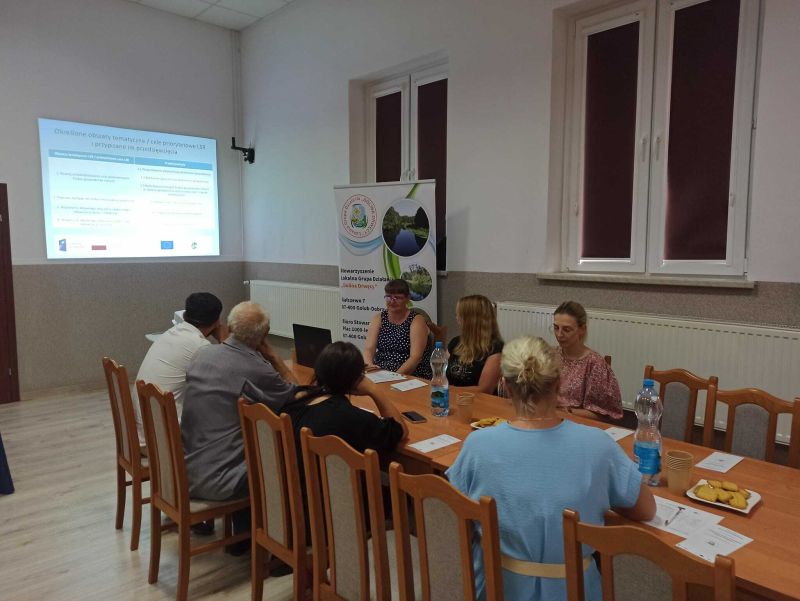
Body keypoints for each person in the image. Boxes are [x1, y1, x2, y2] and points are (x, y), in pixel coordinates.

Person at [447, 336, 655, 601]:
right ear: (559, 384)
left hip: (497, 587)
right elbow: (646, 510)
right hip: (574, 590)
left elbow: (456, 511)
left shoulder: (477, 445)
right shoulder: (598, 445)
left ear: (506, 387)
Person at [181, 301, 298, 544]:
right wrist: (274, 357)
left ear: (229, 326)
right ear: (264, 335)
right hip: (221, 480)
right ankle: (269, 540)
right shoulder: (257, 368)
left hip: (185, 469)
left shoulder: (202, 354)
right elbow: (296, 394)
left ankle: (242, 538)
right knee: (286, 458)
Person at [133, 292, 226, 447]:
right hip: (163, 442)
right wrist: (224, 340)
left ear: (185, 314)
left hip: (143, 432)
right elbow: (228, 376)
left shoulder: (169, 333)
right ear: (217, 322)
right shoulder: (200, 347)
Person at [285, 341, 408, 457]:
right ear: (357, 380)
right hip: (331, 473)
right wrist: (374, 389)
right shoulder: (351, 417)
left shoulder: (296, 400)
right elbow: (400, 431)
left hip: (298, 471)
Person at [553, 301, 622, 420]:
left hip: (577, 422)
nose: (559, 334)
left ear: (582, 329)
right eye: (556, 328)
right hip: (550, 418)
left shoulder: (595, 364)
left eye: (567, 330)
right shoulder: (550, 355)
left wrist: (567, 411)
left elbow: (603, 414)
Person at [363, 279, 432, 379]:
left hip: (409, 373)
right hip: (381, 372)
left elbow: (415, 358)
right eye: (388, 297)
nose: (392, 301)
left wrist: (394, 377)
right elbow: (369, 349)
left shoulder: (416, 320)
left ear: (407, 298)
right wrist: (370, 367)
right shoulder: (379, 318)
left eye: (397, 298)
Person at [446, 295, 503, 393]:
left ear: (470, 320)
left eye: (459, 315)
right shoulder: (455, 342)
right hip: (451, 396)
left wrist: (449, 390)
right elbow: (440, 372)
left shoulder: (495, 349)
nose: (457, 318)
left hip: (477, 400)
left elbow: (485, 389)